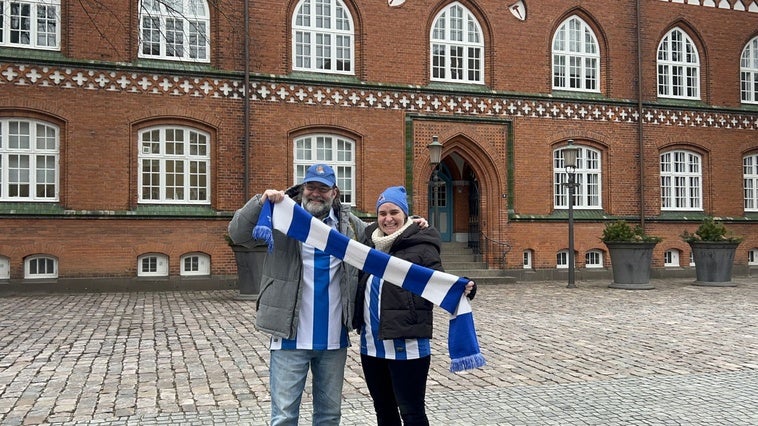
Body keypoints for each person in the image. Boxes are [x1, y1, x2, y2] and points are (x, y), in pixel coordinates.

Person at [227, 163, 366, 426]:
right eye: (311, 187)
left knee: (329, 415)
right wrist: (261, 202)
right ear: (302, 189)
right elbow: (238, 234)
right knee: (284, 416)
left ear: (334, 192)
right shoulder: (282, 218)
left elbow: (381, 244)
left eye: (323, 189)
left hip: (333, 339)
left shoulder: (350, 227)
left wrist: (413, 225)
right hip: (289, 336)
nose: (316, 193)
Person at [352, 186, 476, 426]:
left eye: (394, 212)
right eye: (382, 213)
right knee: (384, 411)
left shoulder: (421, 243)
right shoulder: (368, 243)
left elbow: (437, 278)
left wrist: (463, 288)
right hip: (372, 344)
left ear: (406, 214)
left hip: (407, 343)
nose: (388, 218)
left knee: (412, 413)